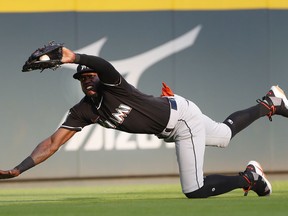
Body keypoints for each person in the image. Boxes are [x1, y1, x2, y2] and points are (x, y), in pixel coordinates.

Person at [0, 46, 286, 198]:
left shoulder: (113, 85)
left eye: (90, 76)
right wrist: (19, 169)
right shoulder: (84, 111)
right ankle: (269, 103)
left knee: (194, 190)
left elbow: (102, 65)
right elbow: (52, 142)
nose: (87, 80)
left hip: (181, 119)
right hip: (176, 115)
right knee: (224, 135)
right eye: (82, 78)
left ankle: (249, 178)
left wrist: (72, 57)